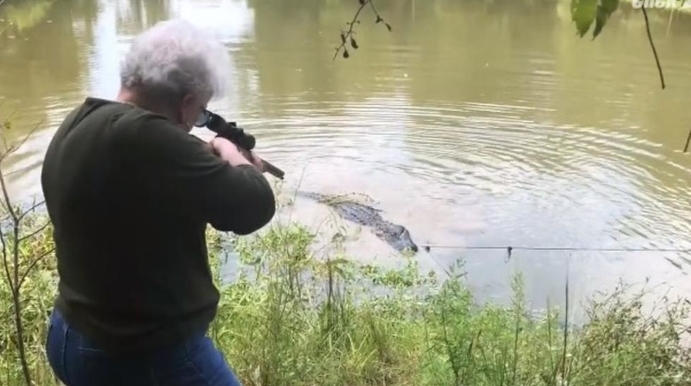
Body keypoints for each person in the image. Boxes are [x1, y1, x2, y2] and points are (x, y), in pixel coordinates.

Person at [40, 18, 276, 386]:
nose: (194, 123)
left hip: (71, 334)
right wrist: (233, 153)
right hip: (142, 352)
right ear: (185, 105)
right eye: (200, 112)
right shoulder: (147, 137)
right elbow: (254, 205)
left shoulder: (79, 122)